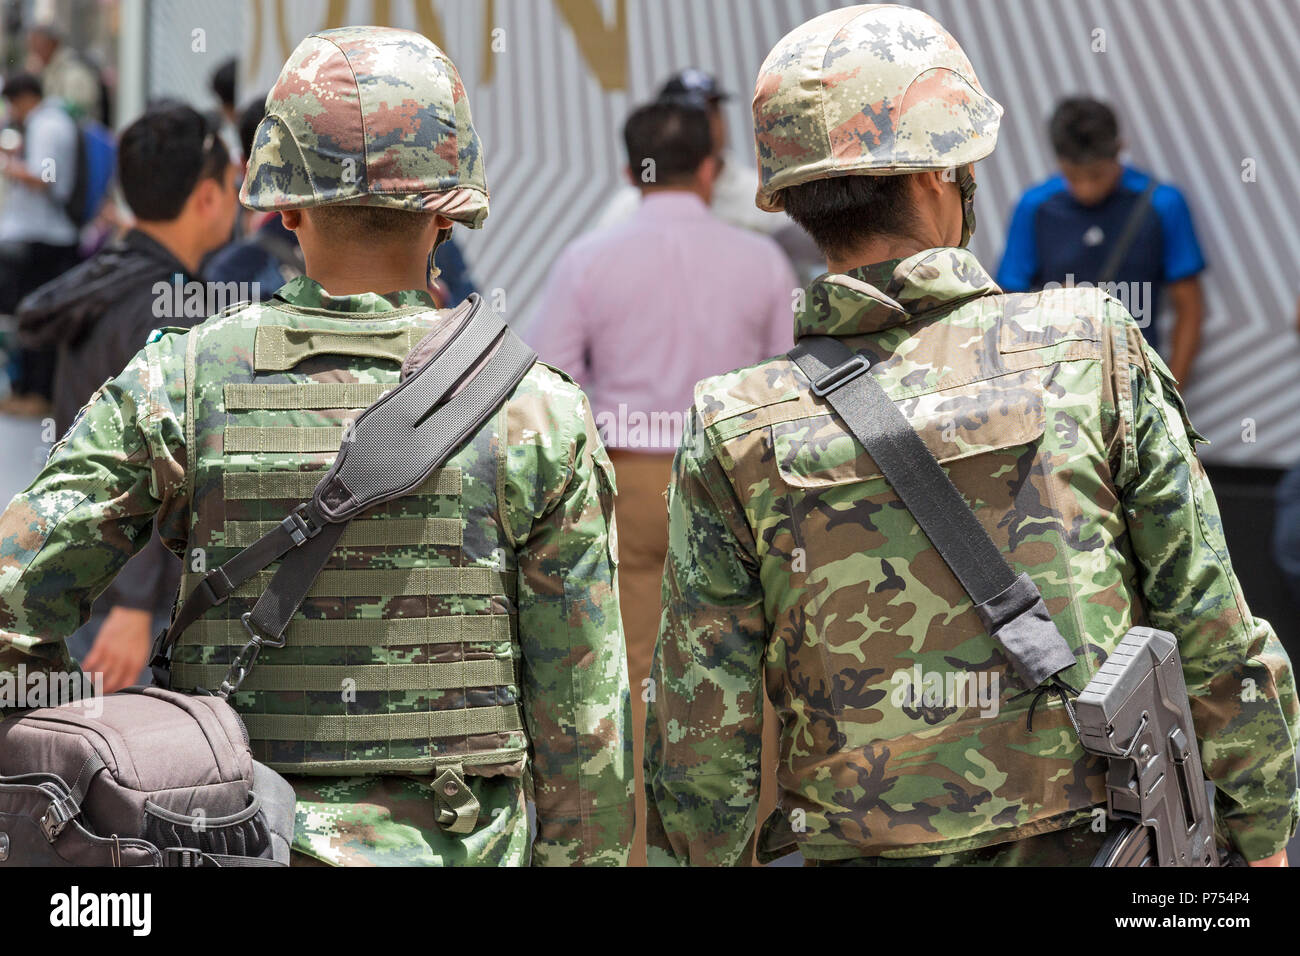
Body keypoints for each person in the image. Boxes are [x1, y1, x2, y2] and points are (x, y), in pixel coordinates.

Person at [644, 3, 1297, 867]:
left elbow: (702, 736)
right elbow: (1210, 624)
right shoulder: (1089, 343)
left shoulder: (734, 423)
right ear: (938, 176)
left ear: (797, 199)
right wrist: (1264, 830)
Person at [0, 25, 632, 867]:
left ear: (283, 205)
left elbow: (11, 605)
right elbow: (587, 725)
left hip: (224, 839)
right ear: (450, 210)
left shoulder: (178, 382)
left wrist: (108, 747)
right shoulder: (537, 410)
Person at [527, 97, 797, 865]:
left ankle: (640, 848)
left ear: (628, 170)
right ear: (712, 169)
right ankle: (747, 851)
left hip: (629, 485)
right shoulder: (765, 261)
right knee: (746, 673)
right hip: (739, 482)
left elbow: (553, 385)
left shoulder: (588, 258)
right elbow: (786, 387)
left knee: (634, 674)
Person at [15, 104, 237, 692]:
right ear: (207, 198)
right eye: (233, 184)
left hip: (89, 569)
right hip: (131, 593)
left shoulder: (105, 278)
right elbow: (150, 454)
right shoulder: (173, 304)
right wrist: (137, 606)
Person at [997, 97, 1206, 385]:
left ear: (1120, 150)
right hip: (1056, 389)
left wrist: (1171, 397)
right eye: (1074, 176)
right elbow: (1007, 307)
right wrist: (1052, 303)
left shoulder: (1161, 203)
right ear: (1059, 162)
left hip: (1135, 387)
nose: (1086, 188)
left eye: (1096, 175)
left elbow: (1190, 308)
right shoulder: (1034, 206)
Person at [587, 69, 784, 237]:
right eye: (692, 114)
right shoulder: (630, 206)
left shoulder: (764, 195)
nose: (707, 122)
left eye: (713, 110)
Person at [0, 71, 81, 416]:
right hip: (45, 237)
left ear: (22, 99)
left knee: (35, 317)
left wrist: (8, 166)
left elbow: (46, 177)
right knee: (35, 315)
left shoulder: (46, 125)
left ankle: (37, 393)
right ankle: (34, 391)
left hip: (43, 239)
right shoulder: (53, 121)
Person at [25, 25, 100, 121]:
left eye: (38, 46)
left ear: (53, 44)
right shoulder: (46, 70)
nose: (35, 52)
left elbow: (78, 109)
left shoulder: (73, 70)